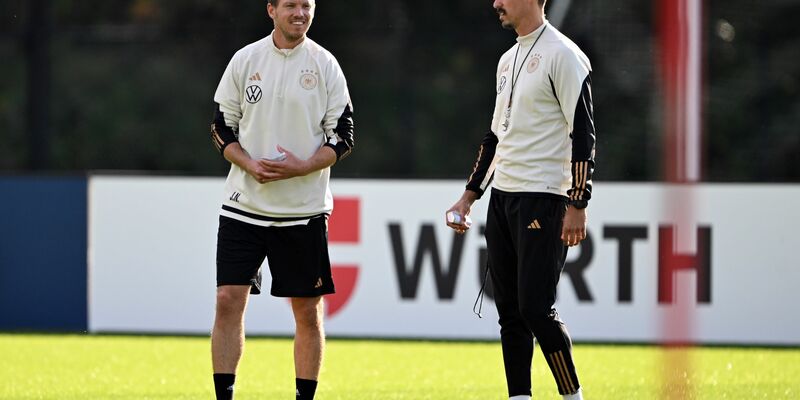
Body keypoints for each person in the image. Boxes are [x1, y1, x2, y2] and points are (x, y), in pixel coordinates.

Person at [446, 0, 594, 399]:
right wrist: (468, 197)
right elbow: (497, 136)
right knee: (509, 314)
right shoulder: (507, 59)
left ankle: (572, 396)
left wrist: (578, 202)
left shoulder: (564, 55)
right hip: (503, 198)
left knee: (535, 308)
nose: (495, 3)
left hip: (544, 198)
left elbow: (583, 134)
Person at [209, 0, 354, 398]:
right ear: (271, 9)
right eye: (290, 5)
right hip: (244, 204)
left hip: (302, 211)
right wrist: (248, 163)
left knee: (306, 310)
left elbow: (343, 136)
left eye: (306, 6)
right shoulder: (245, 59)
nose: (300, 14)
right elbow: (222, 127)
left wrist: (302, 166)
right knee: (227, 299)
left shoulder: (325, 65)